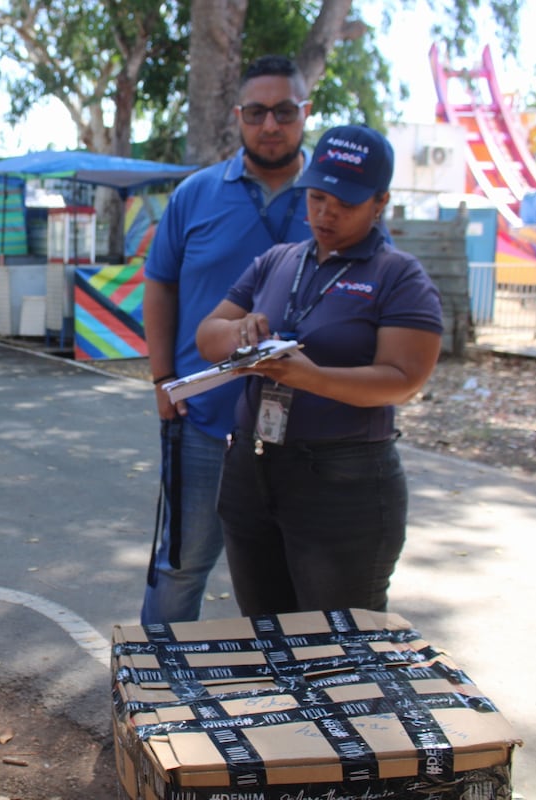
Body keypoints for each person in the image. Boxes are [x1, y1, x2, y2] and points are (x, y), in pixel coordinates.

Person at [196, 124, 444, 615]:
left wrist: (309, 376)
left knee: (342, 651)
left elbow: (404, 379)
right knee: (268, 635)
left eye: (346, 204)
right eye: (317, 197)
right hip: (254, 467)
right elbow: (208, 336)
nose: (326, 213)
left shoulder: (398, 275)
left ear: (380, 202)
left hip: (342, 480)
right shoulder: (278, 260)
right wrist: (241, 333)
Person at [140, 54, 315, 624]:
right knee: (181, 567)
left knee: (292, 579)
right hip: (204, 423)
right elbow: (160, 284)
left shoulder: (334, 201)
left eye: (284, 111)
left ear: (305, 113)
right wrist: (163, 380)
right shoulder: (195, 195)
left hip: (308, 433)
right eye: (257, 111)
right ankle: (154, 701)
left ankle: (289, 705)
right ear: (238, 116)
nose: (271, 125)